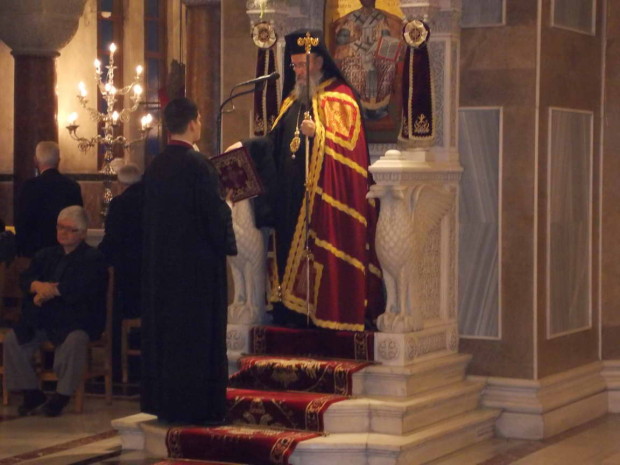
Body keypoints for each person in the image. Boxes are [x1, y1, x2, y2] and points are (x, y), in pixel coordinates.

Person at [235, 29, 384, 332]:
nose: (298, 72)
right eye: (295, 66)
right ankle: (290, 311)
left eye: (303, 65)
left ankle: (323, 313)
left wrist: (320, 135)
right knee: (287, 252)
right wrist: (244, 147)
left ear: (318, 62)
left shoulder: (341, 98)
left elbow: (351, 152)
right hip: (289, 199)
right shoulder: (292, 101)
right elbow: (273, 143)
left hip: (320, 200)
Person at [141, 97, 237, 425]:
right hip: (196, 274)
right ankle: (200, 408)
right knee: (197, 338)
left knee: (169, 338)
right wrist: (227, 205)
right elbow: (213, 216)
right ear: (194, 121)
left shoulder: (155, 167)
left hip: (162, 270)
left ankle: (167, 405)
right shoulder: (199, 166)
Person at [3, 206, 108, 417]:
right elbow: (26, 278)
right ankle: (31, 393)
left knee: (74, 341)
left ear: (83, 233)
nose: (63, 233)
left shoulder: (93, 258)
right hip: (43, 318)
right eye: (60, 227)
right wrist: (37, 286)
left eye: (70, 229)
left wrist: (51, 291)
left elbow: (83, 287)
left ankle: (61, 396)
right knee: (14, 339)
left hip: (76, 319)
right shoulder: (46, 254)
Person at [98, 163, 144, 382]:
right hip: (147, 276)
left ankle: (116, 368)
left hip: (124, 274)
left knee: (113, 315)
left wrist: (97, 257)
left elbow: (112, 240)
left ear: (121, 183)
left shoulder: (119, 203)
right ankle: (138, 367)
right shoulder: (151, 202)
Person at [332, 0, 404, 121]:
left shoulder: (380, 17)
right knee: (351, 69)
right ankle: (357, 107)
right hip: (356, 57)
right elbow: (340, 39)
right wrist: (353, 38)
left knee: (389, 67)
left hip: (376, 56)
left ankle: (381, 107)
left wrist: (381, 48)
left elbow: (386, 37)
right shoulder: (353, 17)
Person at [15, 141, 83, 258]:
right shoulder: (72, 186)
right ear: (58, 160)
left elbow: (21, 222)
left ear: (35, 161)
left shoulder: (28, 187)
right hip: (65, 253)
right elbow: (79, 220)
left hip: (34, 253)